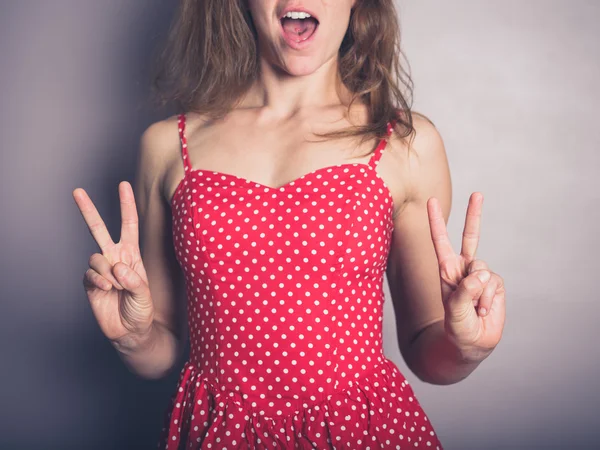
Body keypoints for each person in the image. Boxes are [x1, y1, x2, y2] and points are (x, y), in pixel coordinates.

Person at [73, 0, 506, 448]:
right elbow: (159, 353)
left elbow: (424, 348)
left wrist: (467, 348)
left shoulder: (403, 143)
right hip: (221, 436)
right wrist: (133, 337)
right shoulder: (167, 146)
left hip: (361, 434)